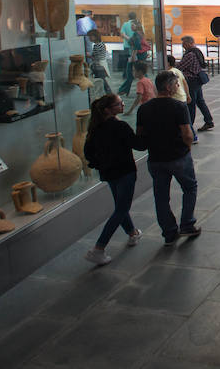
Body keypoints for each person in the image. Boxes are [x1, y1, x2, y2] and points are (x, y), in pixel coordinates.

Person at [136, 70, 201, 246]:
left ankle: (169, 232)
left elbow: (140, 136)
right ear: (168, 87)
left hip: (156, 159)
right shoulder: (178, 107)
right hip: (178, 157)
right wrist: (186, 149)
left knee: (161, 196)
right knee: (190, 187)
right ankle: (187, 224)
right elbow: (187, 134)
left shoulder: (144, 109)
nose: (178, 86)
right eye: (176, 84)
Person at [83, 94, 146, 265]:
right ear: (108, 110)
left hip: (109, 173)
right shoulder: (120, 127)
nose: (123, 105)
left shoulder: (95, 128)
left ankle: (132, 233)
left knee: (120, 205)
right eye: (119, 104)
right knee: (121, 209)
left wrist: (100, 164)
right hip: (124, 171)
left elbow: (88, 152)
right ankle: (98, 248)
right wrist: (144, 131)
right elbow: (139, 145)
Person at [177, 35, 214, 137]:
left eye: (184, 44)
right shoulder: (197, 51)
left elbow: (180, 66)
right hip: (197, 80)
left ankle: (189, 127)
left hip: (192, 81)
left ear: (189, 43)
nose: (183, 46)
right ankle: (208, 120)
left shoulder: (190, 54)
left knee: (191, 104)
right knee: (200, 101)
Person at [118, 22, 147, 96]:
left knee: (131, 72)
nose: (131, 26)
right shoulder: (139, 33)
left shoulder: (136, 34)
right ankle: (124, 90)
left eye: (133, 25)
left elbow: (136, 46)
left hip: (136, 55)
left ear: (137, 26)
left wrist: (133, 56)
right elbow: (132, 41)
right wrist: (125, 36)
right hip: (139, 55)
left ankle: (124, 90)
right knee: (139, 72)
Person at [86, 29, 111, 95]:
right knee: (103, 82)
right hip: (103, 64)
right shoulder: (102, 44)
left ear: (95, 36)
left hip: (98, 66)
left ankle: (109, 95)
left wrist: (89, 55)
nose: (89, 38)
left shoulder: (96, 46)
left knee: (102, 82)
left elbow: (95, 57)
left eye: (90, 36)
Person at [120, 12, 137, 80]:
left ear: (128, 17)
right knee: (135, 60)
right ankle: (134, 75)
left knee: (126, 61)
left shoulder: (125, 24)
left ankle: (126, 75)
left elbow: (123, 34)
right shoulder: (138, 24)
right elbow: (142, 34)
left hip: (127, 45)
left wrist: (129, 39)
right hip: (135, 45)